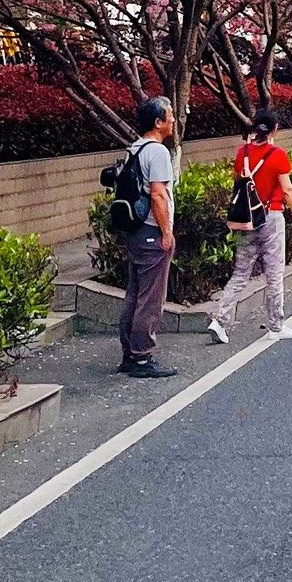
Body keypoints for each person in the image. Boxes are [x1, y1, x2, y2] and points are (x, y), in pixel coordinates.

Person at [208, 118, 292, 346]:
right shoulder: (278, 155)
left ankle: (219, 320)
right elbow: (287, 190)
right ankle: (276, 326)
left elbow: (240, 183)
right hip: (271, 217)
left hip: (246, 220)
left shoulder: (242, 153)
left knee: (241, 273)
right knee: (274, 273)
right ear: (274, 129)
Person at [118, 95, 179, 379]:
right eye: (170, 116)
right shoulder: (157, 152)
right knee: (150, 298)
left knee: (134, 293)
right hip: (152, 231)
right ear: (158, 122)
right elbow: (157, 194)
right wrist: (166, 232)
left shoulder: (135, 148)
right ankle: (142, 357)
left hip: (135, 232)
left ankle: (129, 353)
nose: (174, 120)